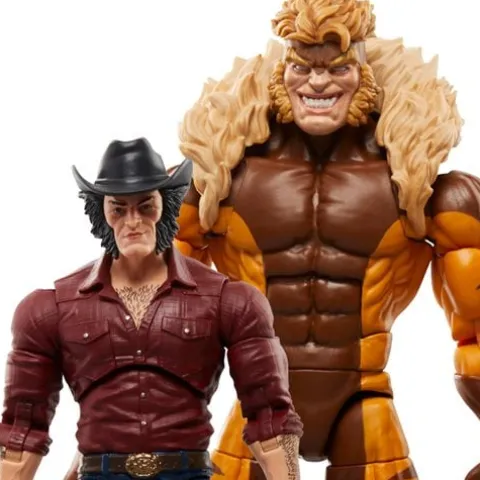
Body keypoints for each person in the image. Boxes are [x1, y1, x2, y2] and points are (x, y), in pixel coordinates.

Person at [174, 0, 480, 479]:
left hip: (364, 396)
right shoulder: (218, 179)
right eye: (303, 67)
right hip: (258, 400)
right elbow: (151, 320)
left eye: (337, 68)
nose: (318, 83)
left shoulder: (415, 185)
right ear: (282, 72)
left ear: (364, 73)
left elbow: (475, 333)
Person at [0, 138, 303, 480]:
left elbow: (270, 418)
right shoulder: (51, 307)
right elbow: (22, 428)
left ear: (167, 206)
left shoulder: (229, 300)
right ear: (101, 212)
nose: (133, 221)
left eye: (145, 206)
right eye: (119, 209)